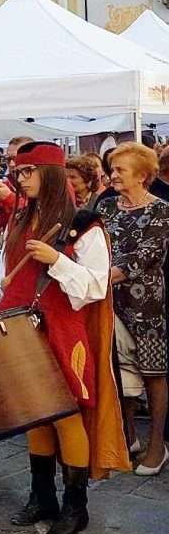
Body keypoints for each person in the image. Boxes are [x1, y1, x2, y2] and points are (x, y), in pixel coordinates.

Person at [0, 141, 126, 534]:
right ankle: (42, 496)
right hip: (18, 329)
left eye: (29, 172)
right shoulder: (20, 219)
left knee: (64, 415)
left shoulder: (86, 225)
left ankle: (76, 506)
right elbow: (2, 274)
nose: (20, 179)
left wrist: (57, 260)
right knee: (34, 413)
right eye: (18, 172)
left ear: (52, 174)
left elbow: (95, 288)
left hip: (60, 330)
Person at [97, 143, 169, 475]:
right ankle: (127, 437)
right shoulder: (106, 206)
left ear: (142, 175)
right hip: (107, 300)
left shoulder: (161, 210)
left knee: (154, 373)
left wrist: (94, 279)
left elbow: (144, 257)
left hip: (146, 306)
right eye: (112, 169)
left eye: (119, 170)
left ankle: (157, 445)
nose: (112, 175)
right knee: (117, 369)